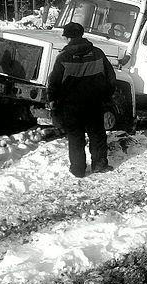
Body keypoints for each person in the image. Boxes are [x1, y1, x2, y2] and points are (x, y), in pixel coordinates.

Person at [48, 22, 116, 177]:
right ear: (81, 35)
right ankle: (99, 165)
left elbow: (54, 83)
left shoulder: (63, 58)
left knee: (75, 137)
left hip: (71, 107)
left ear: (67, 37)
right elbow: (111, 79)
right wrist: (105, 98)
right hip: (94, 104)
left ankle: (78, 170)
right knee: (97, 135)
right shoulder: (98, 54)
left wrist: (54, 101)